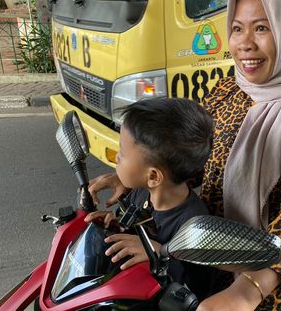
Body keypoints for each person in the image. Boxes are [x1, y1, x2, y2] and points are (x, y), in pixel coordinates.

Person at [88, 0, 281, 309]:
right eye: (237, 28)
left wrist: (246, 292)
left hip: (270, 277)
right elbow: (186, 152)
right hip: (200, 243)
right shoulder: (230, 88)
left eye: (262, 28)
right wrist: (134, 176)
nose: (245, 43)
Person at [84, 97, 215, 300]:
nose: (117, 158)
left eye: (123, 153)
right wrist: (114, 226)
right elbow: (131, 229)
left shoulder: (194, 226)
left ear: (153, 176)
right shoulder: (141, 192)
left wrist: (162, 255)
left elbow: (196, 290)